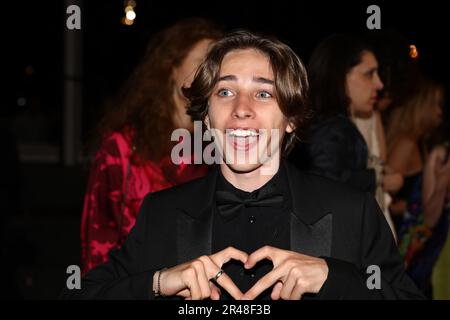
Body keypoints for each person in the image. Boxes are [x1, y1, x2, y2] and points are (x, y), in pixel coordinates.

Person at [63, 30, 423, 300]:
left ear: (292, 119)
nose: (241, 108)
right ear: (207, 114)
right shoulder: (163, 213)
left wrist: (335, 279)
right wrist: (158, 283)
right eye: (225, 91)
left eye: (264, 93)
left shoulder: (352, 212)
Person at [80, 18, 223, 274]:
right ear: (172, 67)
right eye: (203, 60)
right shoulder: (124, 145)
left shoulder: (222, 143)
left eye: (219, 65)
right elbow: (97, 236)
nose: (213, 72)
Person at [289, 33, 402, 237]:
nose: (379, 84)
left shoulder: (329, 123)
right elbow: (324, 193)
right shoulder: (331, 128)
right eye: (369, 74)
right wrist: (375, 178)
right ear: (341, 76)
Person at [386, 77, 450, 298]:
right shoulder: (407, 144)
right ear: (421, 106)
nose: (440, 111)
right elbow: (384, 196)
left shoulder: (422, 143)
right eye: (435, 104)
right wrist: (410, 208)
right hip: (403, 240)